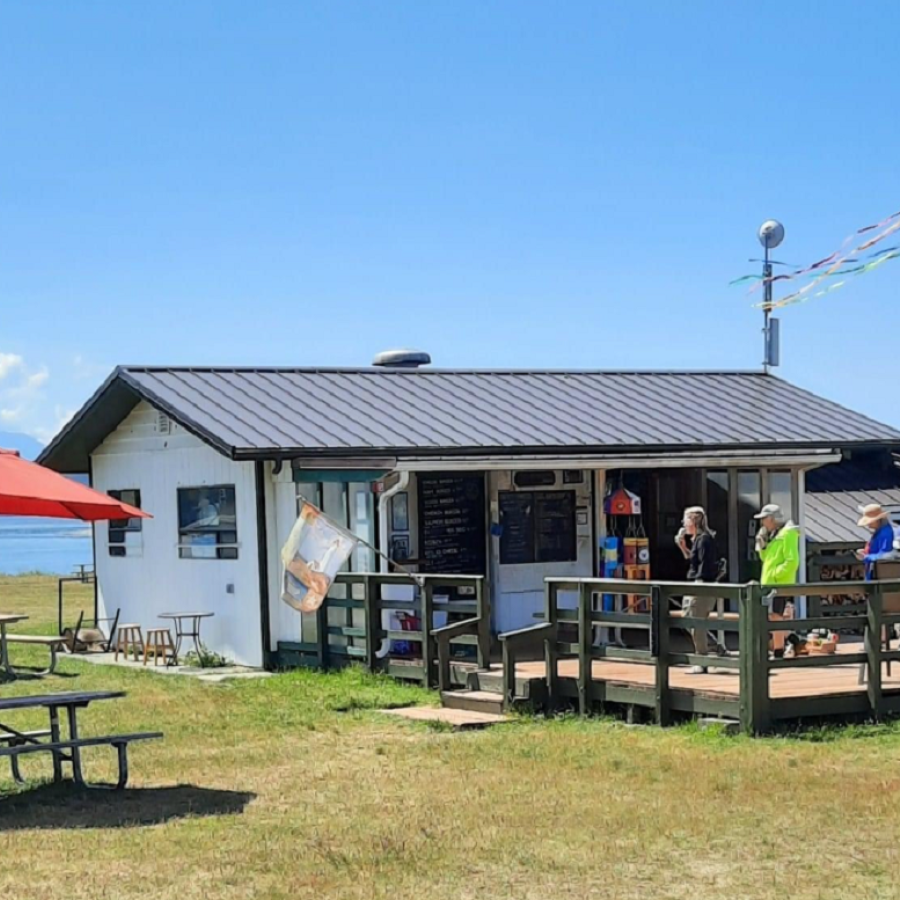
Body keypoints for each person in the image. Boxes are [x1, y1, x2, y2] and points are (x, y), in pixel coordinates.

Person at [675, 506, 725, 674]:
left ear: (694, 521)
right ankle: (712, 649)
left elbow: (706, 566)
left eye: (686, 520)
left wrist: (700, 584)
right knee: (687, 618)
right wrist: (682, 546)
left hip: (702, 585)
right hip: (695, 583)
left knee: (696, 622)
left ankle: (702, 659)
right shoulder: (698, 540)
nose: (683, 523)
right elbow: (692, 560)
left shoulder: (704, 540)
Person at [754, 504, 801, 655]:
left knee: (775, 616)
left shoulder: (788, 534)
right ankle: (790, 639)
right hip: (769, 582)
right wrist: (761, 547)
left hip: (778, 583)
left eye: (763, 519)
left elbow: (792, 561)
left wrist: (775, 575)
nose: (762, 523)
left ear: (771, 518)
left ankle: (779, 650)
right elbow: (766, 559)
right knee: (773, 616)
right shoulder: (774, 534)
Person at [856, 503, 900, 578]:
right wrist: (866, 551)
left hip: (881, 574)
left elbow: (887, 555)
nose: (868, 524)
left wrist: (867, 557)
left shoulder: (886, 533)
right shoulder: (880, 532)